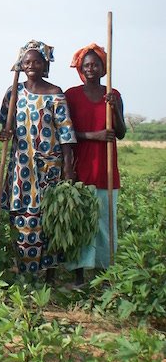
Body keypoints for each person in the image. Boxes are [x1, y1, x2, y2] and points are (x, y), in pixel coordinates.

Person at [0, 40, 77, 278]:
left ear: (45, 65)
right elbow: (4, 122)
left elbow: (66, 134)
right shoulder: (13, 92)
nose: (31, 66)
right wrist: (5, 133)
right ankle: (26, 272)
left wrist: (68, 167)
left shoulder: (55, 94)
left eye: (37, 62)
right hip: (21, 167)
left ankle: (49, 273)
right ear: (21, 65)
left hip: (49, 168)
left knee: (49, 218)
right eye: (27, 62)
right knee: (22, 217)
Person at [65, 43, 125, 287]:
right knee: (79, 223)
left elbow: (120, 132)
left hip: (106, 169)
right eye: (86, 65)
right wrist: (93, 135)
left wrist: (114, 108)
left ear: (103, 68)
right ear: (81, 68)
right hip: (80, 167)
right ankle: (78, 277)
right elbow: (65, 132)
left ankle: (105, 277)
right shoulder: (71, 95)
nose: (90, 69)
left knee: (104, 225)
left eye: (95, 65)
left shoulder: (114, 94)